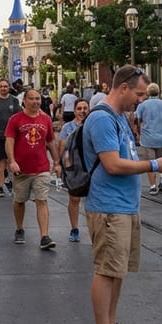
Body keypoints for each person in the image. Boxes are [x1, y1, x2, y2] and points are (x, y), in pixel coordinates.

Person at [82, 65, 162, 324]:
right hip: (108, 207)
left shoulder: (120, 118)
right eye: (138, 94)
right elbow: (112, 164)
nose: (140, 100)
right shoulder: (101, 119)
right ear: (122, 87)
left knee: (117, 270)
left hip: (123, 205)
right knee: (106, 270)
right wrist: (154, 165)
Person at [5, 88, 60, 249]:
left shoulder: (46, 120)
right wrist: (12, 161)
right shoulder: (16, 120)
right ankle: (20, 228)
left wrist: (56, 162)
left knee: (41, 200)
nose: (35, 102)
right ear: (24, 101)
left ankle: (44, 236)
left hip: (41, 167)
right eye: (32, 99)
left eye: (38, 99)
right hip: (21, 169)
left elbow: (50, 141)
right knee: (20, 201)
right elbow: (9, 141)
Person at [135, 82, 162, 196]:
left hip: (148, 138)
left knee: (151, 162)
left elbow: (136, 119)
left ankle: (153, 185)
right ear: (158, 92)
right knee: (161, 159)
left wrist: (137, 131)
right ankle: (161, 180)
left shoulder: (142, 105)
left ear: (147, 92)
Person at [59, 99, 90, 242]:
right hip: (75, 168)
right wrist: (65, 167)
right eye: (79, 108)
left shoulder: (92, 125)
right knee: (74, 198)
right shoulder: (67, 127)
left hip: (90, 167)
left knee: (92, 199)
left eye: (85, 108)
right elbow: (63, 149)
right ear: (74, 111)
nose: (82, 111)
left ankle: (93, 228)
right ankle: (74, 228)